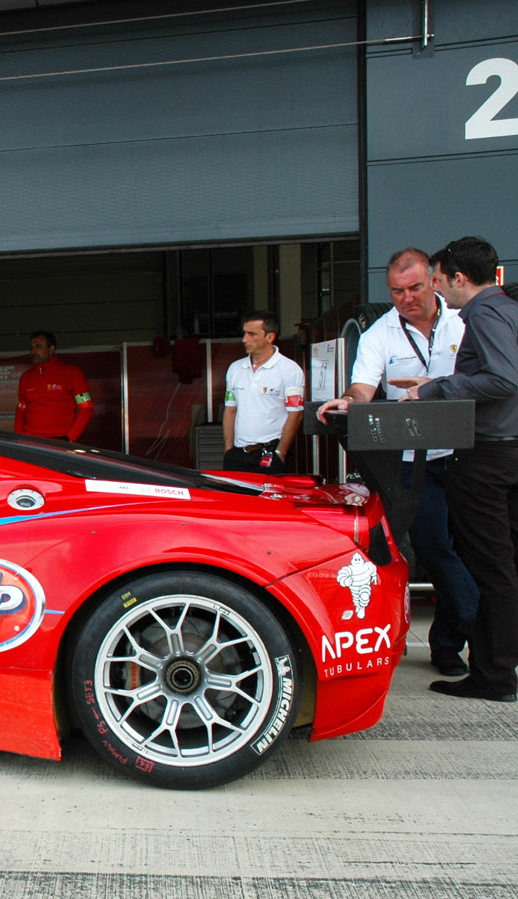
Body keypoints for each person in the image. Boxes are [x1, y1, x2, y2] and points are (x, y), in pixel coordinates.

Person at [316, 248, 478, 676]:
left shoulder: (465, 321)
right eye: (396, 291)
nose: (406, 298)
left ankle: (456, 639)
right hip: (412, 463)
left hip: (467, 456)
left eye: (415, 288)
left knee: (477, 550)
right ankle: (458, 633)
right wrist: (348, 401)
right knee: (435, 549)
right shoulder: (380, 334)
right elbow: (363, 387)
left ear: (435, 282)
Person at [393, 237, 518, 703]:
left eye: (440, 281)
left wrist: (435, 390)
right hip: (508, 452)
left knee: (489, 570)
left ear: (459, 279)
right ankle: (500, 668)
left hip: (485, 458)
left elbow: (504, 379)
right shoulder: (509, 309)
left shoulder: (482, 314)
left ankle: (495, 676)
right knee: (504, 569)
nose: (439, 291)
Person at [221, 311, 304, 472]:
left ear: (270, 337)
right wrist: (228, 449)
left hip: (270, 452)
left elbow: (296, 414)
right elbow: (230, 410)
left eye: (252, 334)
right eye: (244, 333)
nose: (245, 339)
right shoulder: (235, 368)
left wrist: (281, 452)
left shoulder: (289, 369)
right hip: (237, 454)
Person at [15, 330, 93, 441]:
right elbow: (21, 409)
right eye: (32, 347)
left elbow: (86, 408)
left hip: (60, 441)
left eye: (38, 347)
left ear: (51, 349)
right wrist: (18, 438)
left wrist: (70, 438)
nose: (33, 351)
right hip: (30, 440)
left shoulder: (72, 372)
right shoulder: (26, 377)